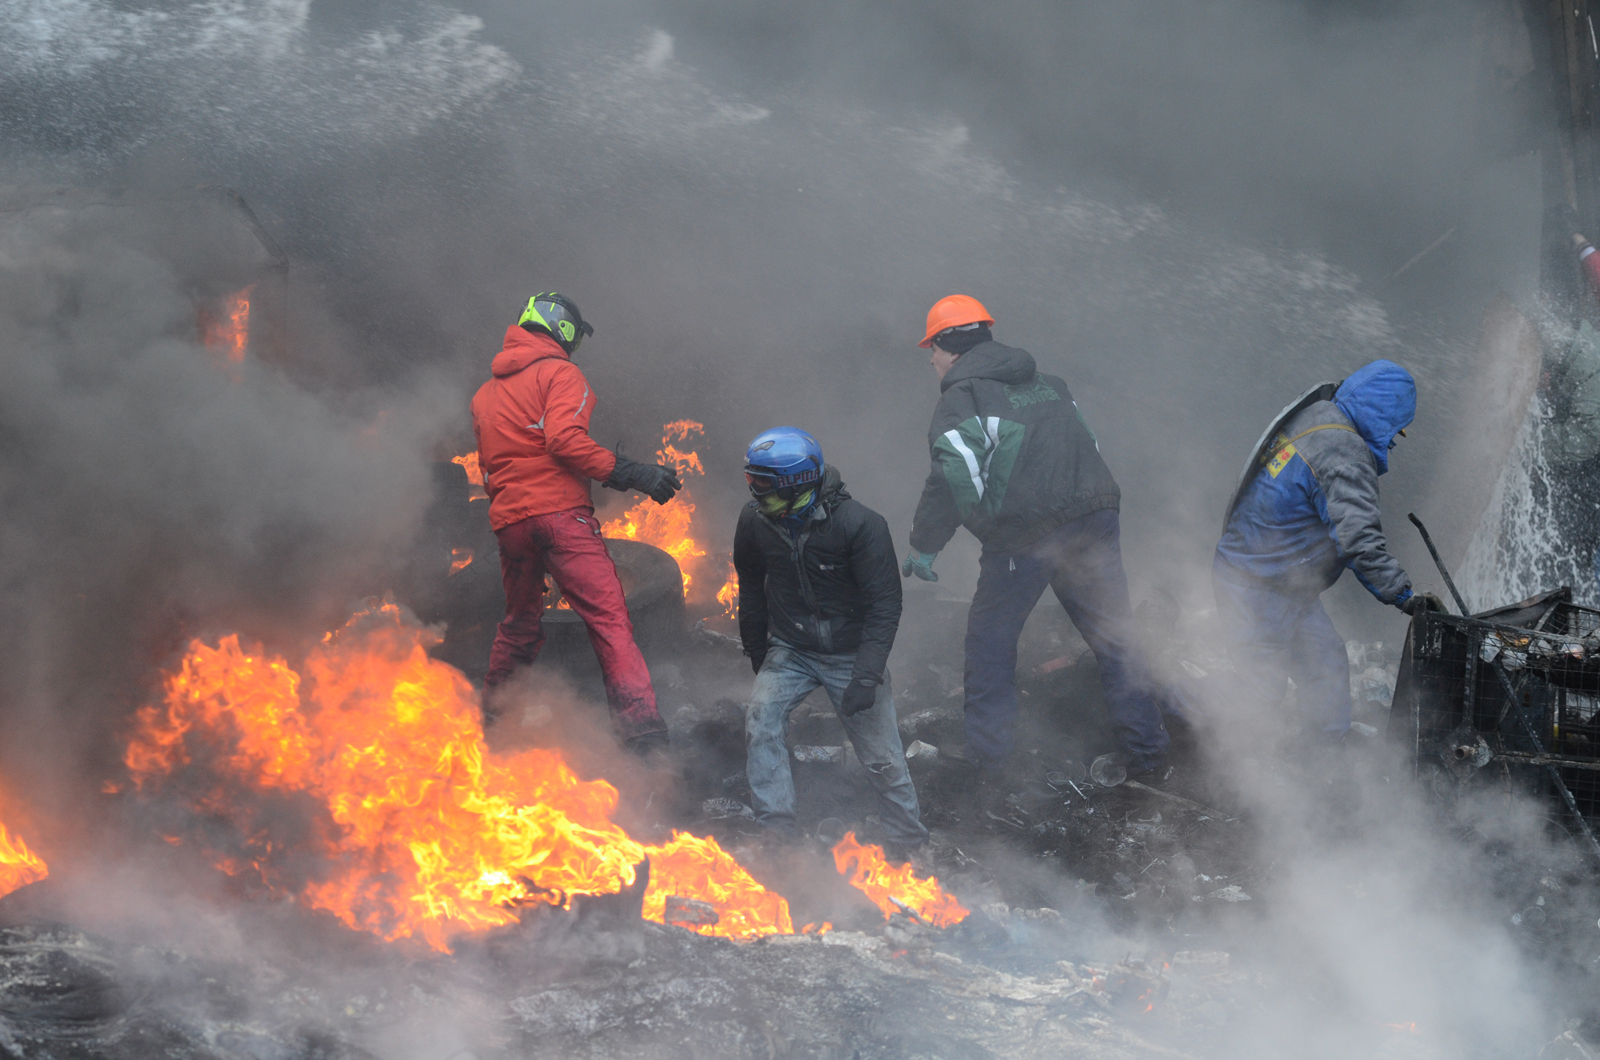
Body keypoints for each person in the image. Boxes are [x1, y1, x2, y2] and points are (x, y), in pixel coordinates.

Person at [904, 295, 1170, 781]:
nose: (931, 360)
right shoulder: (1050, 385)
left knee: (990, 643)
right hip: (1095, 516)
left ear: (950, 346)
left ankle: (990, 764)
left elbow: (951, 477)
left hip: (1028, 535)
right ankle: (1149, 755)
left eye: (933, 349)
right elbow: (1088, 445)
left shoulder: (962, 398)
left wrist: (928, 542)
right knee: (1116, 639)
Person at [470, 292, 683, 752]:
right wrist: (634, 473)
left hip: (511, 525)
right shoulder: (562, 373)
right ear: (564, 330)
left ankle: (492, 728)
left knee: (519, 624)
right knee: (609, 621)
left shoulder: (485, 393)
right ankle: (643, 737)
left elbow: (488, 470)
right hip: (561, 519)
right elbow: (564, 441)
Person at [1213, 359, 1441, 739]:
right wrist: (1406, 596)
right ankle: (1160, 709)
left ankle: (1325, 768)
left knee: (1327, 669)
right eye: (1396, 432)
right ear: (1383, 416)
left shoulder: (1319, 415)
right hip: (1256, 585)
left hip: (1280, 581)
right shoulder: (1344, 453)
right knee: (1257, 694)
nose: (1392, 442)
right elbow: (1360, 541)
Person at [733, 426, 928, 856]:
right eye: (752, 483)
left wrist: (866, 674)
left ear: (797, 483)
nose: (755, 495)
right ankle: (777, 833)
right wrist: (757, 647)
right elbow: (749, 584)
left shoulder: (861, 525)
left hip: (851, 653)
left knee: (882, 757)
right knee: (761, 723)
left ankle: (909, 843)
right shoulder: (755, 521)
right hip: (791, 649)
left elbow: (885, 606)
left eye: (764, 486)